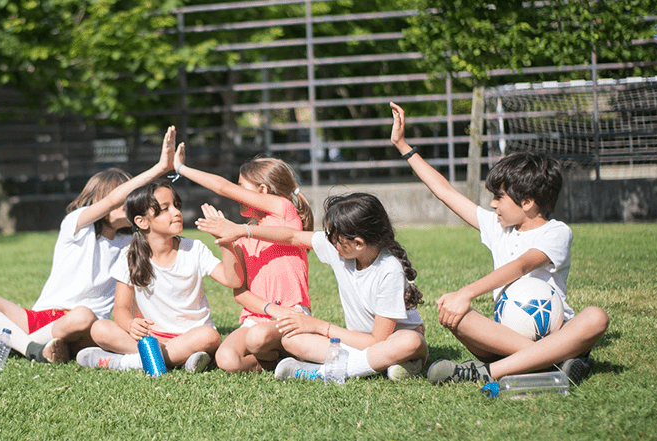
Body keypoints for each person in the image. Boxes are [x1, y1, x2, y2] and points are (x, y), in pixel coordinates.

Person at [388, 102, 609, 384]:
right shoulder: (497, 226)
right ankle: (554, 360)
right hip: (505, 336)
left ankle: (492, 372)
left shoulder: (557, 232)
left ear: (527, 202)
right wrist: (402, 145)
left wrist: (466, 292)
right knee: (453, 312)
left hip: (555, 330)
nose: (492, 205)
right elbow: (444, 191)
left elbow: (521, 265)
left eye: (499, 197)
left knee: (595, 317)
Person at [0, 127, 177, 363]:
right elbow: (112, 200)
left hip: (84, 327)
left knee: (83, 316)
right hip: (40, 318)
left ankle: (14, 344)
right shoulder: (76, 225)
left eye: (131, 198)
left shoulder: (131, 245)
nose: (125, 203)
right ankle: (31, 348)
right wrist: (159, 168)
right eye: (121, 197)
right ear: (101, 200)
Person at [196, 193, 428, 381]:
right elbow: (293, 237)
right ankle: (382, 367)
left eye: (335, 238)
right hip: (355, 343)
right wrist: (243, 230)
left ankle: (324, 372)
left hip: (388, 343)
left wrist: (319, 326)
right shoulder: (342, 251)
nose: (329, 242)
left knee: (410, 341)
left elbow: (377, 341)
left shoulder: (389, 270)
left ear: (358, 243)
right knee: (290, 339)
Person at [171, 147, 313, 373]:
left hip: (292, 313)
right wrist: (225, 240)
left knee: (257, 339)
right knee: (226, 359)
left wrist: (180, 168)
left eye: (241, 187)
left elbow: (222, 187)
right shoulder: (242, 236)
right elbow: (240, 290)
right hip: (259, 317)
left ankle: (292, 349)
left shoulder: (283, 210)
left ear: (262, 190)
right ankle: (278, 361)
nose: (236, 193)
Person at [77, 180, 243, 372]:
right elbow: (121, 308)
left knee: (210, 336)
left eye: (176, 206)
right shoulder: (129, 256)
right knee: (100, 328)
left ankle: (131, 362)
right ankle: (178, 358)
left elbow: (232, 280)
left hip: (191, 335)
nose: (176, 212)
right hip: (152, 337)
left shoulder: (194, 249)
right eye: (165, 209)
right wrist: (130, 324)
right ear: (142, 221)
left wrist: (225, 242)